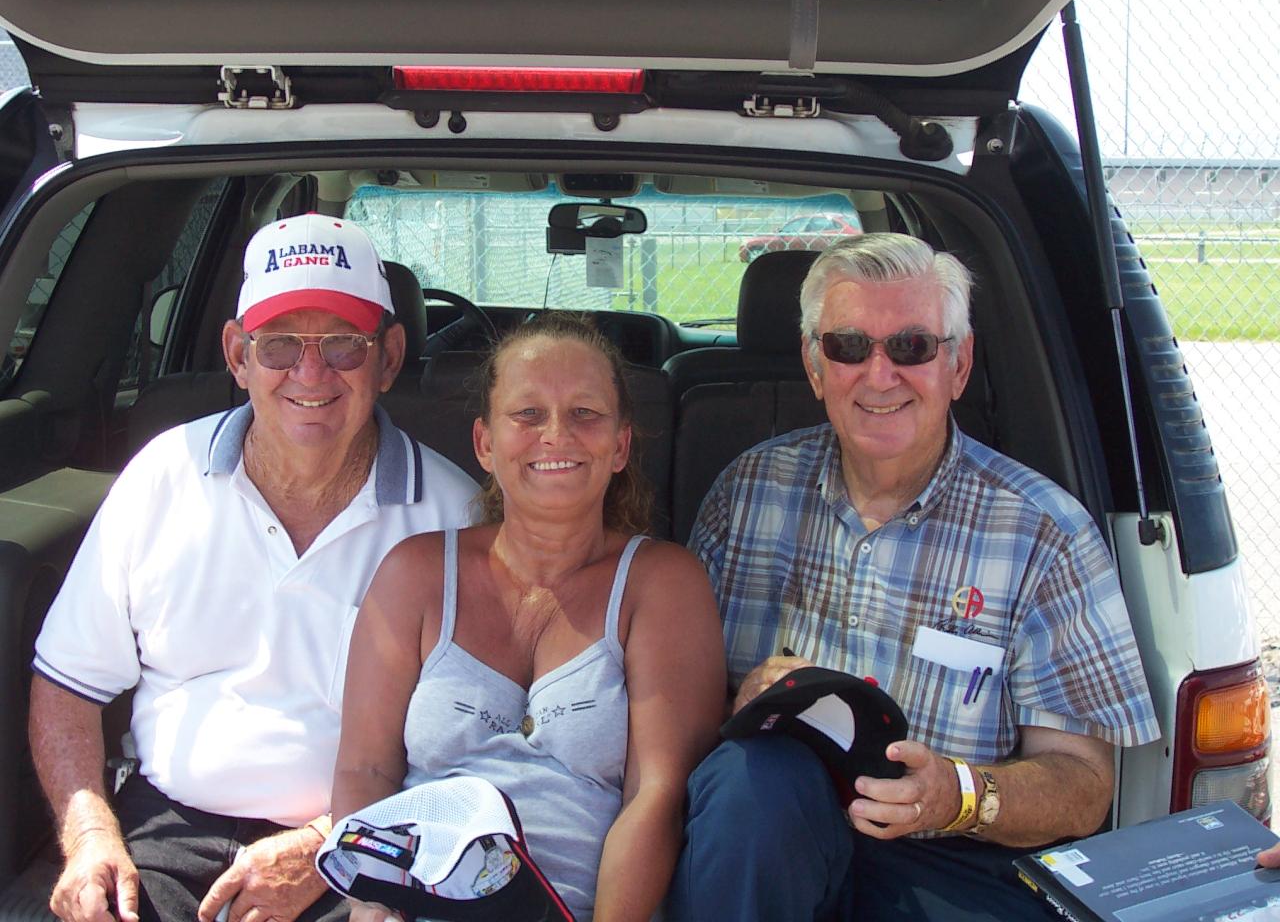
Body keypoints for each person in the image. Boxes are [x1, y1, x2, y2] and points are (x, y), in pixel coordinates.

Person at [666, 233, 1162, 921]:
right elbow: (674, 712)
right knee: (750, 783)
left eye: (911, 346)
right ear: (814, 366)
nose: (880, 375)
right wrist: (739, 703)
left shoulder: (1044, 533)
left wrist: (958, 795)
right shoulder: (746, 491)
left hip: (951, 858)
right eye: (848, 346)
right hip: (769, 842)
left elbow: (1083, 786)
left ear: (959, 365)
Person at [29, 213, 479, 922]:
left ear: (389, 358)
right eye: (279, 345)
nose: (310, 372)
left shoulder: (458, 517)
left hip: (367, 839)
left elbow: (478, 745)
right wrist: (89, 837)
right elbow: (67, 685)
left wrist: (330, 844)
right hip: (163, 827)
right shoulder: (161, 476)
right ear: (238, 356)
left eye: (343, 343)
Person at [331, 312, 725, 922]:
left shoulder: (663, 584)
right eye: (528, 414)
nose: (556, 435)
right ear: (485, 444)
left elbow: (657, 797)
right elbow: (366, 767)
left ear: (621, 446)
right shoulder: (415, 573)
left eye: (585, 413)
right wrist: (371, 902)